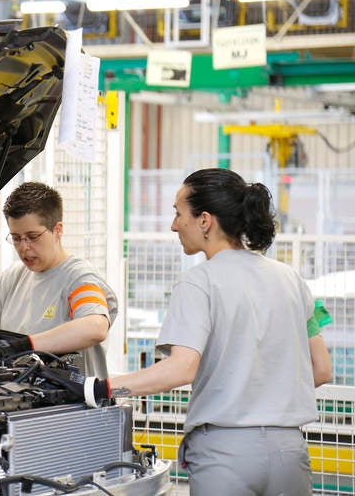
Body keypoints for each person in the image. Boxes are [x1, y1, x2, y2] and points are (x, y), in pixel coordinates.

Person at [84, 168, 332, 496]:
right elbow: (322, 369)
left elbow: (181, 368)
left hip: (225, 453)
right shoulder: (292, 280)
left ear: (204, 220)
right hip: (290, 450)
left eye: (177, 213)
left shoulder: (199, 282)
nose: (173, 224)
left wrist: (101, 388)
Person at [0, 181, 117, 375]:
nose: (24, 247)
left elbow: (95, 327)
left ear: (58, 230)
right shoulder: (13, 278)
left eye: (32, 237)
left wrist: (24, 345)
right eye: (16, 238)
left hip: (72, 402)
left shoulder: (79, 278)